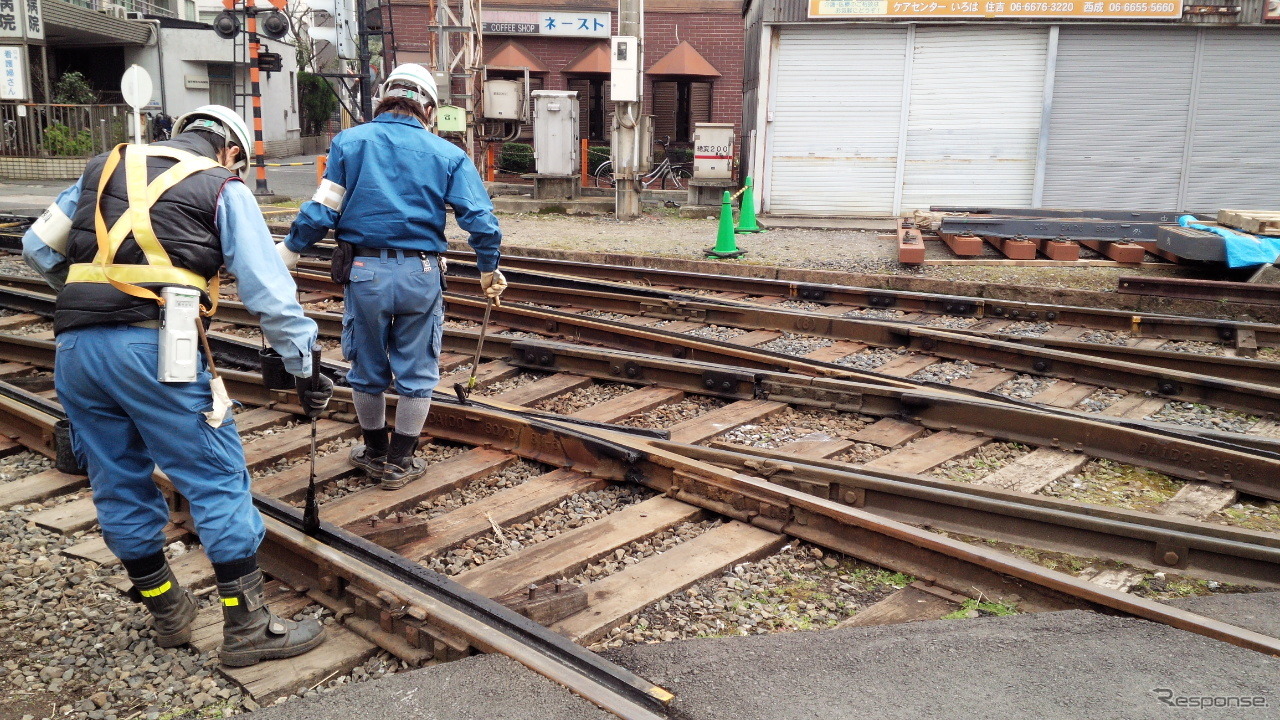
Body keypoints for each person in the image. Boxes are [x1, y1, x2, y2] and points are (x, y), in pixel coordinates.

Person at [22, 105, 333, 667]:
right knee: (213, 475)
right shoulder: (222, 188)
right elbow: (269, 291)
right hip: (158, 347)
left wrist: (92, 294)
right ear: (231, 151)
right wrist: (304, 360)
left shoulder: (102, 168)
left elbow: (37, 248)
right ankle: (248, 628)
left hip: (76, 350)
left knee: (115, 479)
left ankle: (167, 609)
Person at [279, 64, 506, 490]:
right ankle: (400, 463)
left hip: (364, 272)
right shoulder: (448, 154)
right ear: (429, 109)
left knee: (366, 367)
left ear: (384, 97)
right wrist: (487, 266)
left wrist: (291, 249)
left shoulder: (349, 142)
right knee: (418, 369)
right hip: (421, 272)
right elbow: (481, 219)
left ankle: (375, 452)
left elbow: (324, 207)